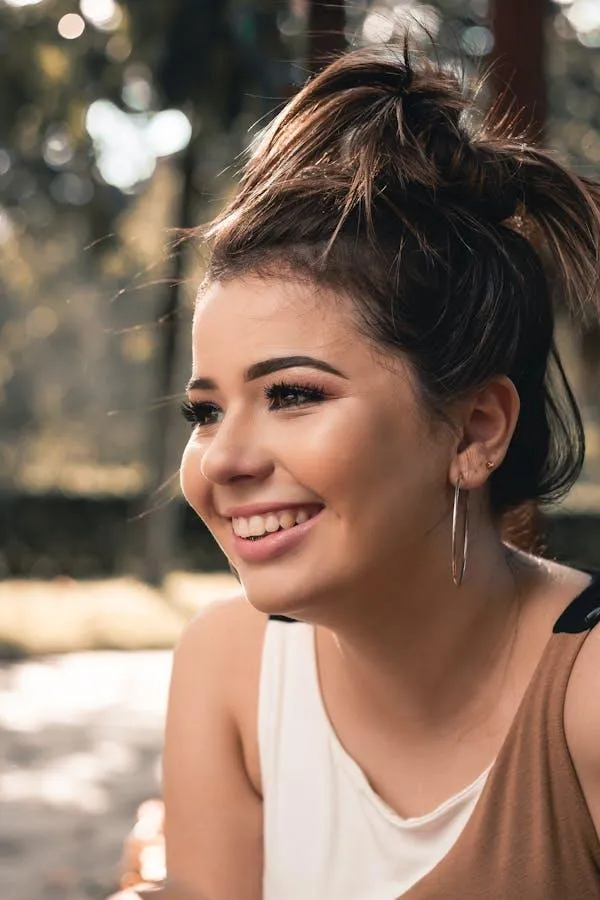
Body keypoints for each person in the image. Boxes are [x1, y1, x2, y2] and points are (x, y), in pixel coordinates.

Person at [163, 42, 600, 900]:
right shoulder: (226, 670)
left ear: (475, 430)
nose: (225, 460)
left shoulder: (585, 703)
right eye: (205, 410)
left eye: (291, 394)